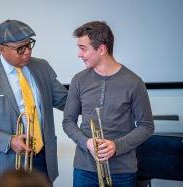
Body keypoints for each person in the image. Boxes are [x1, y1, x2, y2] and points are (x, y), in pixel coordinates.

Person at [0, 19, 67, 187]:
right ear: (1, 49)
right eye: (20, 48)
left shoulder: (42, 67)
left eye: (29, 45)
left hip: (43, 159)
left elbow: (64, 101)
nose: (27, 52)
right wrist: (9, 141)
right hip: (5, 166)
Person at [62, 21, 154, 187]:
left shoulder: (134, 82)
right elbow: (68, 122)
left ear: (101, 49)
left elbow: (146, 126)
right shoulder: (78, 80)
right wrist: (87, 143)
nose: (79, 54)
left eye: (83, 48)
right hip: (85, 170)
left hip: (122, 171)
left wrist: (116, 146)